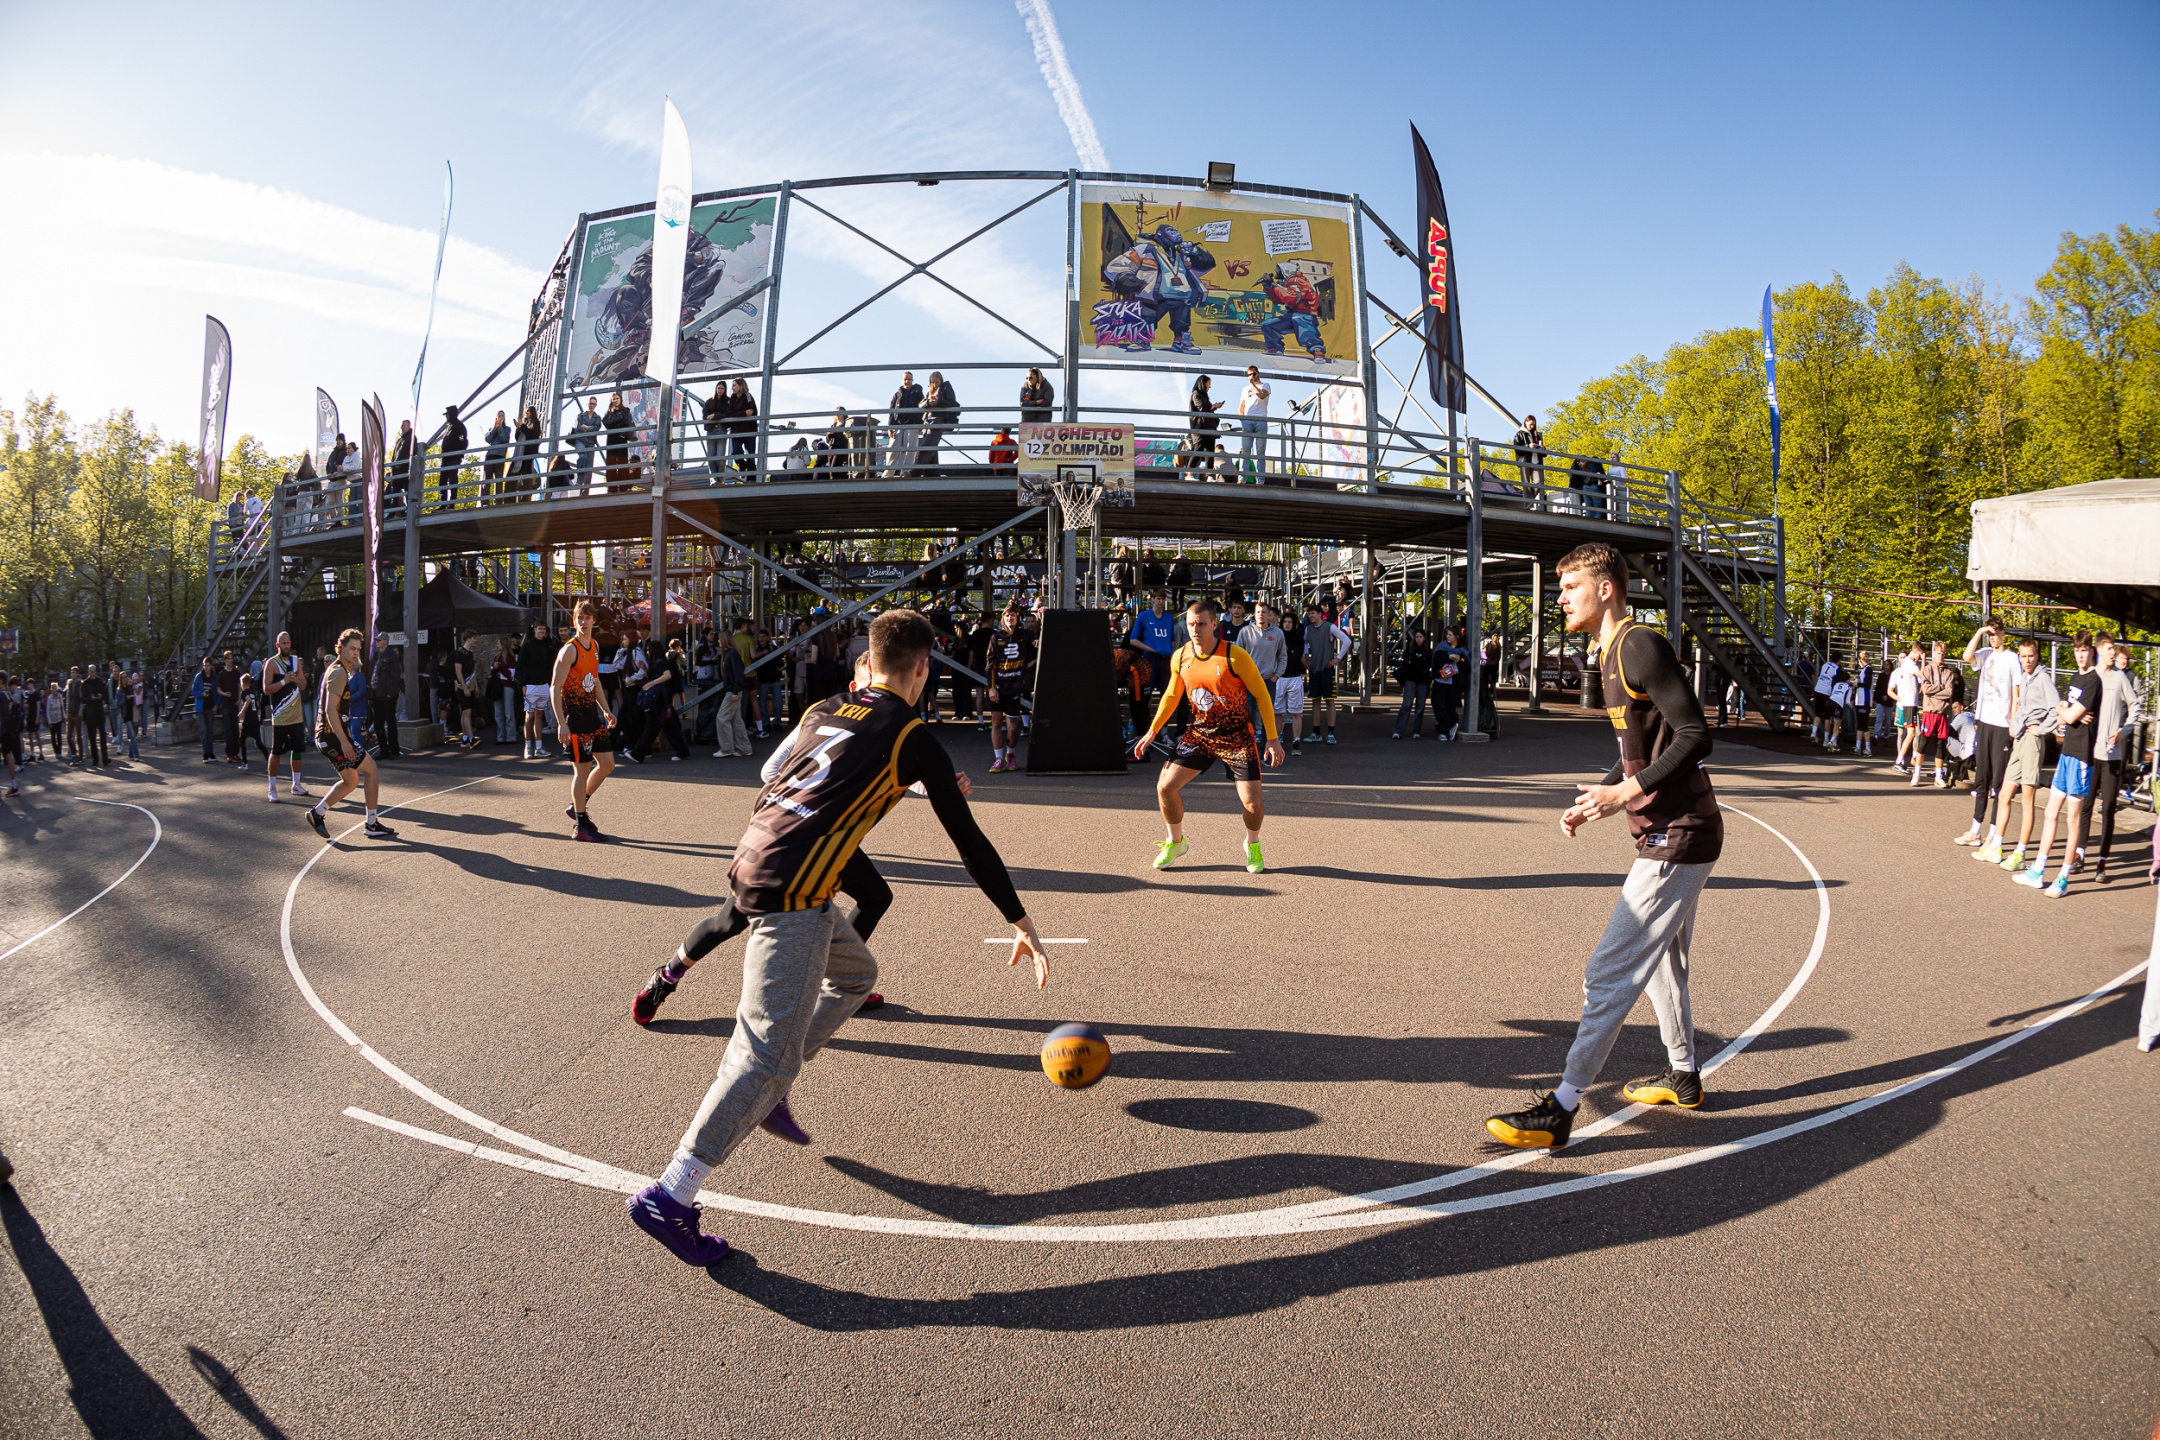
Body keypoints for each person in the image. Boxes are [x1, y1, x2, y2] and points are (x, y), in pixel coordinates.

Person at [624, 610, 1049, 1266]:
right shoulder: (911, 733)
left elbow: (785, 782)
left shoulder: (823, 708)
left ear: (868, 660)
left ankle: (772, 1090)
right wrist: (1021, 921)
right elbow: (968, 842)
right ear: (921, 670)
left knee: (855, 975)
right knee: (762, 1058)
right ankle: (672, 1193)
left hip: (761, 856)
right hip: (792, 894)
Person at [1487, 543, 1720, 1150]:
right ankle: (1683, 1074)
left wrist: (1626, 792)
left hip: (1678, 835)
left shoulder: (1639, 645)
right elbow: (1641, 747)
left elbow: (1696, 735)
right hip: (1670, 830)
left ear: (1606, 589)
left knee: (1608, 973)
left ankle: (1561, 1108)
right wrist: (1602, 795)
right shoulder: (1609, 653)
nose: (1561, 598)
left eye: (1570, 587)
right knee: (1663, 962)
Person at [1132, 597, 1284, 874]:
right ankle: (1176, 842)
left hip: (1237, 736)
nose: (1195, 629)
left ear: (1214, 625)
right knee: (1165, 787)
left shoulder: (1235, 656)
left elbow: (1262, 695)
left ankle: (1252, 844)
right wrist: (1152, 731)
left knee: (1252, 803)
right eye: (1191, 624)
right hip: (1200, 734)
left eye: (1201, 624)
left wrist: (1272, 738)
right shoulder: (1181, 656)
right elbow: (1171, 695)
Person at [2012, 632, 2104, 898]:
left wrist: (2067, 712)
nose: (2080, 655)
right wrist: (2067, 711)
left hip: (2082, 757)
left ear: (2091, 652)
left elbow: (2068, 714)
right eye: (2077, 650)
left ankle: (2063, 878)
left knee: (2072, 818)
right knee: (2051, 813)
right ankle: (2037, 870)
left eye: (2084, 650)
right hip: (2066, 755)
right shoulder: (2075, 678)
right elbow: (2063, 714)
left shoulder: (2094, 681)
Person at [304, 629, 396, 841]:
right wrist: (345, 742)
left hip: (326, 737)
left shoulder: (336, 669)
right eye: (352, 648)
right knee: (371, 770)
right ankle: (371, 823)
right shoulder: (338, 672)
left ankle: (317, 813)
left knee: (351, 780)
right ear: (341, 648)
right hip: (332, 737)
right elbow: (330, 710)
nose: (356, 653)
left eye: (358, 649)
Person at [1974, 638, 2056, 873]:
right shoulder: (2024, 677)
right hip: (2019, 740)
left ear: (2037, 656)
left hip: (2032, 742)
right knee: (2004, 795)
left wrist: (2041, 729)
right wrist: (2015, 725)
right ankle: (1996, 846)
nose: (2027, 660)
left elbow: (2056, 708)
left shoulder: (2043, 678)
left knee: (2028, 800)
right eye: (2023, 656)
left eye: (2031, 656)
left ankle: (2020, 853)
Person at [2076, 632, 2143, 882]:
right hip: (2090, 753)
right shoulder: (2091, 676)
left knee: (2108, 809)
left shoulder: (2119, 677)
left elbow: (2135, 705)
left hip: (2113, 755)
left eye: (2114, 649)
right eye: (2109, 649)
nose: (2114, 653)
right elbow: (2074, 704)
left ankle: (2102, 863)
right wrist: (2079, 715)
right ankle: (2080, 855)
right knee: (2085, 805)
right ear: (2099, 651)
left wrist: (2125, 730)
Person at [552, 600, 618, 841]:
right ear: (575, 621)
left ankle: (578, 805)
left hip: (592, 715)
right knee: (582, 770)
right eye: (580, 618)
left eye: (587, 618)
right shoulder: (569, 650)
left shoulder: (594, 645)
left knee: (607, 764)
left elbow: (595, 679)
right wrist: (561, 723)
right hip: (575, 718)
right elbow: (554, 687)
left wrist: (606, 710)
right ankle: (580, 825)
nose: (584, 622)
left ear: (594, 620)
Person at [1954, 619, 2021, 847]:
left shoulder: (2012, 658)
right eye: (1989, 634)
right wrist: (1980, 631)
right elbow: (1966, 656)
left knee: (1997, 780)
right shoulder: (1985, 654)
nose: (1992, 638)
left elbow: (2016, 693)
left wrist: (2013, 724)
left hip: (2002, 725)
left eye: (1995, 633)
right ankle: (1975, 830)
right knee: (1981, 777)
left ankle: (1994, 832)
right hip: (1984, 722)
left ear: (2003, 633)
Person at [261, 632, 310, 803]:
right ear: (277, 645)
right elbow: (266, 689)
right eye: (283, 643)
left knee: (297, 750)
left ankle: (296, 784)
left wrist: (296, 680)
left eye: (288, 642)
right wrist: (284, 681)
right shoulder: (271, 663)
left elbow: (304, 685)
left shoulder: (296, 661)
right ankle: (272, 789)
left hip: (296, 715)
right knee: (276, 752)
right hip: (280, 716)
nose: (286, 646)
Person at [984, 606, 1034, 773]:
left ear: (1017, 618)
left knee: (1013, 728)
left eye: (1012, 615)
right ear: (1002, 618)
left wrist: (1042, 617)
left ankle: (1010, 754)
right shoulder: (996, 637)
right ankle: (998, 758)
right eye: (1007, 615)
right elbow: (990, 664)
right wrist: (991, 688)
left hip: (1014, 688)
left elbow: (1039, 645)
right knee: (996, 723)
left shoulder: (1025, 635)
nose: (1010, 618)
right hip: (998, 688)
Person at [1303, 602, 1350, 745]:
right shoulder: (1308, 629)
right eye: (1309, 614)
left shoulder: (1329, 627)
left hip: (1327, 670)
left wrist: (1338, 658)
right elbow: (1303, 643)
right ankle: (1316, 732)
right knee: (1315, 701)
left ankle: (1330, 733)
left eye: (1313, 613)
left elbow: (1346, 640)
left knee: (1330, 701)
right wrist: (1306, 656)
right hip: (1314, 670)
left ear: (1320, 614)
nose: (1310, 616)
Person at [1914, 640, 1956, 788]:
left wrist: (1934, 691)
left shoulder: (1949, 673)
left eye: (1943, 654)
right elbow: (1925, 690)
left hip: (1942, 714)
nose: (1941, 656)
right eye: (1938, 653)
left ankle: (1938, 776)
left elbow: (1949, 692)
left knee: (1940, 746)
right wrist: (1940, 687)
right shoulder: (1927, 669)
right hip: (1929, 713)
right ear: (1934, 653)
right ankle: (1916, 774)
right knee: (1923, 743)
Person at [512, 620, 556, 760]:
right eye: (539, 628)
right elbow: (520, 666)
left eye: (543, 629)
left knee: (539, 715)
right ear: (534, 629)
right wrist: (523, 684)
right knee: (529, 716)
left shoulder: (548, 645)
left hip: (544, 685)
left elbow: (551, 664)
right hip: (530, 685)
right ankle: (527, 747)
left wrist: (550, 683)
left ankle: (539, 747)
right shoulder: (527, 645)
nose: (541, 631)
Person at [1392, 627, 1435, 739]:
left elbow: (1428, 665)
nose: (1418, 639)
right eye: (1416, 637)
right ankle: (1398, 730)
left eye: (1420, 637)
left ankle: (1416, 730)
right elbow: (1406, 664)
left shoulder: (1428, 651)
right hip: (1411, 679)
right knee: (1406, 705)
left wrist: (1418, 668)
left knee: (1420, 706)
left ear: (1424, 638)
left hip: (1422, 680)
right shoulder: (1410, 650)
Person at [1888, 642, 1923, 773]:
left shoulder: (1910, 665)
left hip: (1911, 703)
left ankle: (1904, 759)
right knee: (1905, 733)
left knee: (1914, 733)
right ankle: (1900, 760)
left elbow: (1920, 683)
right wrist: (1900, 699)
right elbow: (1922, 674)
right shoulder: (1908, 665)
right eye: (1920, 654)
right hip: (1906, 704)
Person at [368, 636, 402, 759]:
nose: (377, 642)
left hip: (387, 695)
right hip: (377, 694)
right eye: (376, 640)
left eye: (379, 640)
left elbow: (395, 675)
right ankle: (384, 750)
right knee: (378, 723)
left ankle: (394, 750)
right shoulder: (376, 655)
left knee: (390, 722)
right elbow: (373, 673)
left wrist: (390, 693)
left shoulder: (391, 655)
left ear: (385, 641)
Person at [1235, 366, 1271, 482]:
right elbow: (1241, 405)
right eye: (1249, 375)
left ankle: (1260, 479)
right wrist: (1242, 419)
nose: (1251, 376)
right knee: (1245, 450)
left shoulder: (1265, 385)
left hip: (1261, 420)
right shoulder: (1245, 389)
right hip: (1247, 421)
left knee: (1260, 451)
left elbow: (1262, 395)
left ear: (1258, 374)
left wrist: (1252, 384)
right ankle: (1242, 478)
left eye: (1254, 374)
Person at [917, 372, 958, 473]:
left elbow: (953, 403)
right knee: (932, 450)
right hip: (927, 423)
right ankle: (933, 473)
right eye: (932, 382)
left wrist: (938, 402)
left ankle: (915, 471)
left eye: (937, 382)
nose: (935, 385)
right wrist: (928, 402)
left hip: (938, 421)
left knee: (926, 447)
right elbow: (920, 404)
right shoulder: (929, 393)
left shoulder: (945, 388)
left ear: (941, 381)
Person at [1184, 375, 1222, 475]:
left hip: (1208, 428)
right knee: (1198, 450)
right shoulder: (1196, 394)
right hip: (1200, 427)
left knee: (1210, 453)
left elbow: (1206, 409)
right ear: (1203, 383)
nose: (1210, 386)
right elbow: (1202, 408)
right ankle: (1189, 474)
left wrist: (1213, 407)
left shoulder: (1204, 396)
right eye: (1209, 384)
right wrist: (1214, 406)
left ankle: (1209, 475)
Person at [451, 631, 481, 749]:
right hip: (462, 687)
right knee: (467, 712)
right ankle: (471, 738)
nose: (475, 640)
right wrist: (464, 688)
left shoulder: (470, 654)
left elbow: (473, 672)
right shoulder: (459, 653)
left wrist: (476, 687)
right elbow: (458, 672)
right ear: (468, 639)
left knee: (465, 712)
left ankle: (465, 738)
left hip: (470, 685)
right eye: (474, 638)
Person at [722, 378, 758, 472]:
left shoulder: (748, 396)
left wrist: (738, 414)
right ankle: (742, 465)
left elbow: (751, 411)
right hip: (736, 430)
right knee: (736, 452)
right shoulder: (732, 398)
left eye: (734, 385)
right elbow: (730, 413)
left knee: (751, 455)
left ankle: (751, 478)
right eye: (732, 386)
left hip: (749, 429)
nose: (732, 388)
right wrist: (743, 413)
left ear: (741, 386)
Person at [603, 393, 635, 492]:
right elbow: (606, 423)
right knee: (610, 463)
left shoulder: (626, 410)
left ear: (620, 399)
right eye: (613, 399)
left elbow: (627, 422)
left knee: (623, 462)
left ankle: (624, 487)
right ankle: (611, 488)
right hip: (611, 439)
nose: (615, 400)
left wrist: (614, 423)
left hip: (622, 437)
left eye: (617, 398)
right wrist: (619, 421)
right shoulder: (608, 412)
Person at [438, 405, 468, 499]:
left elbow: (463, 442)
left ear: (452, 414)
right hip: (446, 459)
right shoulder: (449, 426)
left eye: (447, 414)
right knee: (442, 481)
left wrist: (458, 454)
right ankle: (443, 502)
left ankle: (452, 502)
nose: (446, 417)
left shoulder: (459, 426)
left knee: (452, 479)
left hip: (454, 458)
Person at [511, 405, 543, 492]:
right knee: (521, 471)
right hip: (522, 451)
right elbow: (518, 438)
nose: (526, 412)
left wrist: (522, 426)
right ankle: (522, 490)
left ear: (532, 412)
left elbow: (531, 435)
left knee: (526, 471)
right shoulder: (525, 423)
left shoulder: (535, 422)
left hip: (529, 451)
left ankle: (526, 491)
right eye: (526, 411)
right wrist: (518, 428)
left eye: (528, 411)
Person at [701, 383, 730, 473]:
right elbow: (705, 415)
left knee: (720, 457)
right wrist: (712, 416)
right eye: (718, 388)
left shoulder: (728, 401)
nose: (720, 390)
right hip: (711, 430)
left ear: (725, 389)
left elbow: (728, 414)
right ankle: (713, 478)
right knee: (711, 457)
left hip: (722, 429)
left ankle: (720, 478)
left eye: (722, 388)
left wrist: (716, 415)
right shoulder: (710, 401)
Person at [482, 410, 512, 493]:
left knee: (498, 481)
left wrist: (500, 428)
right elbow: (487, 439)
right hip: (490, 455)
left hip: (500, 456)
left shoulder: (507, 429)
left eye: (502, 416)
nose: (500, 417)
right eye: (499, 415)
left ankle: (498, 499)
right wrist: (494, 429)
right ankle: (485, 499)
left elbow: (504, 439)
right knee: (487, 480)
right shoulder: (491, 428)